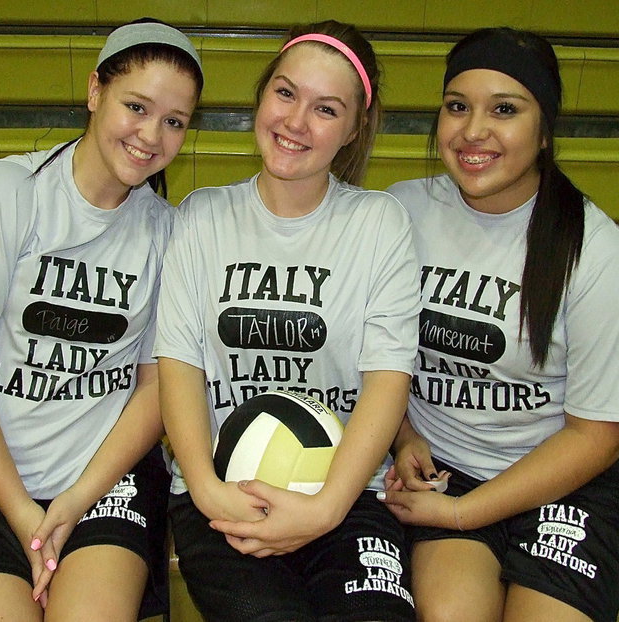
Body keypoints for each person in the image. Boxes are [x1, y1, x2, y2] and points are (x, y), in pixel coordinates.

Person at [0, 19, 203, 622]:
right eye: (136, 107)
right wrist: (24, 515)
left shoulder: (168, 231)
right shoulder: (6, 191)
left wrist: (75, 500)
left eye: (174, 121)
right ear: (95, 91)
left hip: (101, 482)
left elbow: (154, 387)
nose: (151, 135)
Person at [379, 27, 619, 622]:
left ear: (546, 130)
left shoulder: (598, 254)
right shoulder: (400, 212)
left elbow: (597, 436)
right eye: (457, 107)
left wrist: (461, 514)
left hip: (574, 482)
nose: (474, 131)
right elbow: (377, 355)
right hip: (447, 468)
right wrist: (403, 437)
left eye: (505, 109)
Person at [154, 20, 421, 622]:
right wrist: (206, 488)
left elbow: (386, 380)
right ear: (261, 96)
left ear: (353, 128)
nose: (296, 121)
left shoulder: (381, 225)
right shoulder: (201, 218)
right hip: (223, 491)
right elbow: (179, 367)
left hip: (348, 495)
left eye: (326, 108)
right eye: (285, 93)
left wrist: (327, 507)